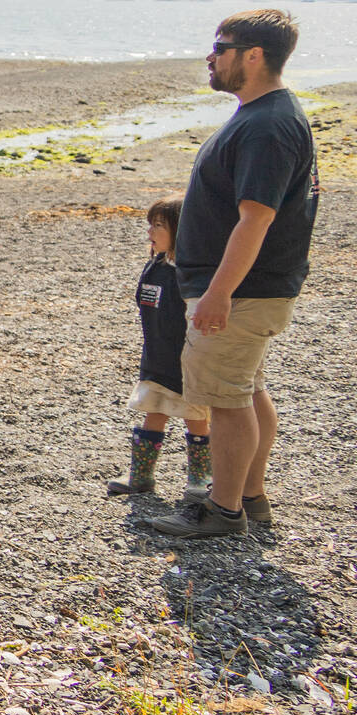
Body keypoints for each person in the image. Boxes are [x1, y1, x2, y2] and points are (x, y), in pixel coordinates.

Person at [150, 10, 317, 540]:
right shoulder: (266, 115)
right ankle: (249, 496)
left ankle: (222, 511)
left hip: (242, 292)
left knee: (225, 399)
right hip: (252, 289)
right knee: (244, 390)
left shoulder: (268, 124)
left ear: (254, 55)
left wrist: (219, 292)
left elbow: (256, 217)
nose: (210, 56)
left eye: (220, 47)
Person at [108, 194, 210, 498]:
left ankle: (201, 479)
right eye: (150, 224)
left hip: (186, 361)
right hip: (156, 358)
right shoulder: (155, 266)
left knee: (196, 417)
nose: (150, 232)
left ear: (180, 230)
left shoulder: (190, 273)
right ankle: (141, 476)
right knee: (153, 411)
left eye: (158, 226)